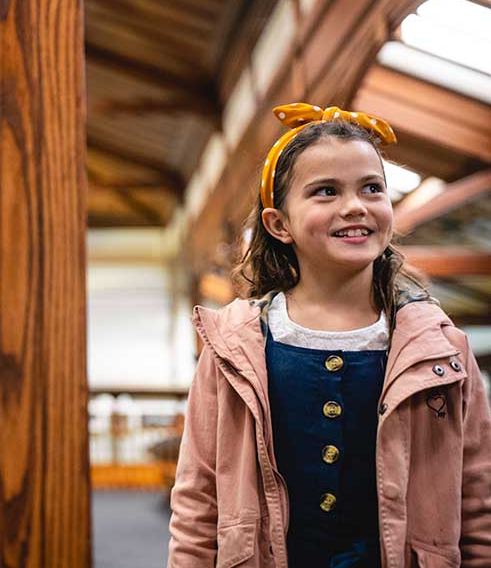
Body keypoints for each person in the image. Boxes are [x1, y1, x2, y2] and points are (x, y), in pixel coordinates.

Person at [167, 104, 491, 568]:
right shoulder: (232, 347)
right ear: (279, 225)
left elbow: (478, 499)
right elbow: (198, 502)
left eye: (372, 188)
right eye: (326, 191)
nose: (355, 205)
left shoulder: (442, 348)